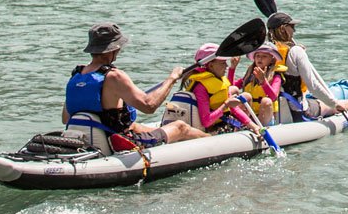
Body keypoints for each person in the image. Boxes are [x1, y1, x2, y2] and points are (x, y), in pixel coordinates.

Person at [63, 22, 205, 152]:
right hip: (118, 143)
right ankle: (212, 139)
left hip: (86, 139)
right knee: (180, 126)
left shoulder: (76, 76)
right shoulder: (114, 76)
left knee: (138, 126)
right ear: (114, 48)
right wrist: (172, 78)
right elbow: (149, 106)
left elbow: (66, 118)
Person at [266, 10, 348, 121]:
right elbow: (313, 85)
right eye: (292, 27)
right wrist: (334, 104)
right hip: (297, 110)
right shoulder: (296, 52)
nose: (294, 30)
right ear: (283, 28)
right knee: (329, 106)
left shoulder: (264, 52)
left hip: (274, 111)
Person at [178, 43, 268, 135]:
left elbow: (234, 109)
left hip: (225, 123)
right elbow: (206, 121)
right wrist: (225, 105)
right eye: (222, 63)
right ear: (211, 65)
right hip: (211, 131)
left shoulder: (218, 80)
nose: (226, 66)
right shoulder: (201, 87)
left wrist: (253, 126)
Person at [240, 43, 286, 127]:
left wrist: (263, 81)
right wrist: (232, 68)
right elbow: (233, 86)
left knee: (266, 101)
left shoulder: (276, 76)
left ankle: (259, 128)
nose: (260, 58)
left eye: (264, 56)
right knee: (244, 96)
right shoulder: (250, 73)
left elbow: (273, 97)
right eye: (257, 56)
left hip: (266, 118)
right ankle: (242, 125)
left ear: (272, 60)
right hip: (250, 116)